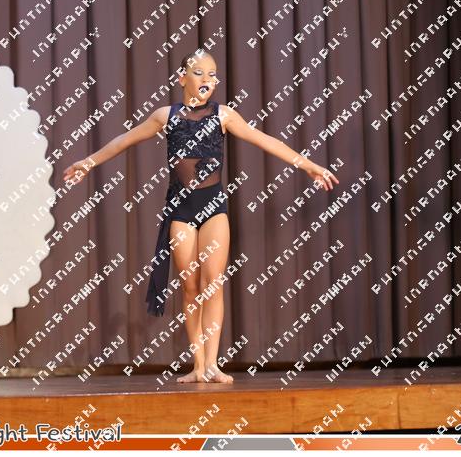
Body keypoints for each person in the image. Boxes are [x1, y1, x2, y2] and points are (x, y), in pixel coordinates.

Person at [63, 50, 339, 383]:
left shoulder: (224, 115)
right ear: (182, 78)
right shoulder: (165, 116)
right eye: (198, 73)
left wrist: (309, 166)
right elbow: (124, 140)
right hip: (181, 209)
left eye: (212, 74)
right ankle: (197, 365)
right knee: (191, 287)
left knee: (213, 283)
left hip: (213, 207)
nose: (207, 79)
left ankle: (212, 364)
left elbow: (265, 140)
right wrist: (88, 162)